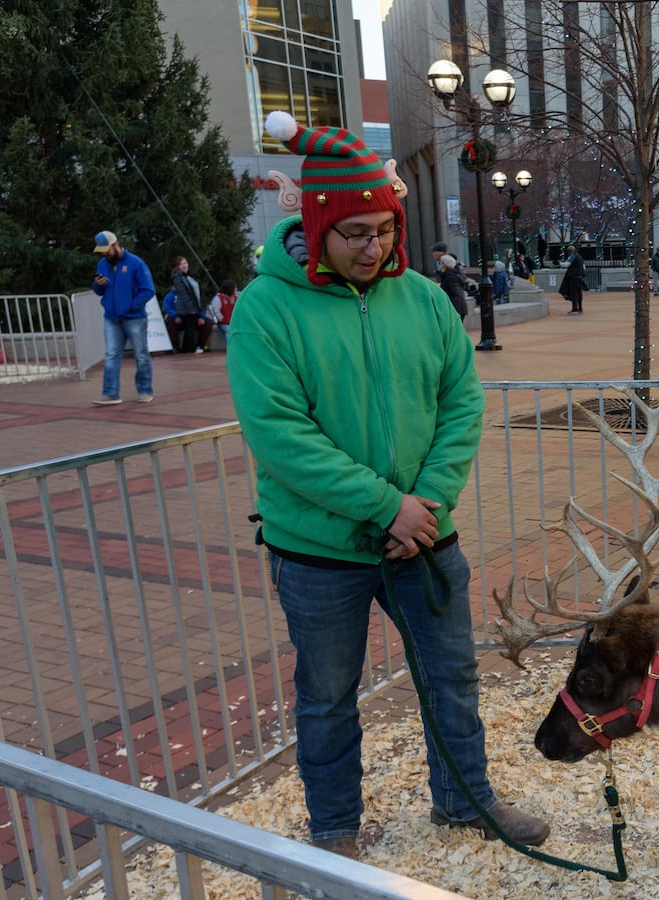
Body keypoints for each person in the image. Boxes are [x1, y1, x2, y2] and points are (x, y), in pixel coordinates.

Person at [227, 112, 549, 858]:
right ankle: (335, 827)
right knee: (329, 698)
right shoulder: (267, 310)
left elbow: (460, 403)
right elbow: (280, 437)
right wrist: (387, 507)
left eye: (385, 229)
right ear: (318, 224)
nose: (376, 248)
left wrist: (426, 503)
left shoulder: (424, 299)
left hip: (426, 536)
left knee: (451, 676)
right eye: (356, 234)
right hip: (319, 549)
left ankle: (464, 798)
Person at [91, 231, 155, 405]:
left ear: (115, 245)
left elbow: (148, 289)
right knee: (111, 354)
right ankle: (110, 393)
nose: (104, 253)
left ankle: (144, 390)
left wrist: (132, 306)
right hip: (111, 317)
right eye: (102, 251)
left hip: (134, 317)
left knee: (141, 354)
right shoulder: (102, 264)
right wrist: (98, 285)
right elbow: (98, 291)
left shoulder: (135, 263)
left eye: (107, 250)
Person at [437, 254, 468, 318]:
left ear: (443, 264)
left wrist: (454, 312)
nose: (439, 265)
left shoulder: (450, 277)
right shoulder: (447, 275)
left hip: (456, 310)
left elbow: (457, 295)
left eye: (440, 263)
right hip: (455, 309)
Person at [207, 280, 238, 346]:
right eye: (234, 288)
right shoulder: (218, 298)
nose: (236, 289)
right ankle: (231, 345)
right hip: (224, 323)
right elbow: (216, 310)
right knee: (229, 330)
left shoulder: (236, 298)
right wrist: (221, 319)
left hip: (234, 322)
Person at [559, 244, 586, 314]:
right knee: (579, 293)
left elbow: (566, 264)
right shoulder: (580, 257)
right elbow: (584, 268)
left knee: (574, 293)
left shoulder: (572, 255)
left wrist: (559, 263)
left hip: (574, 277)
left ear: (569, 251)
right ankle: (580, 308)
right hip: (580, 277)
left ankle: (574, 309)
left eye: (568, 251)